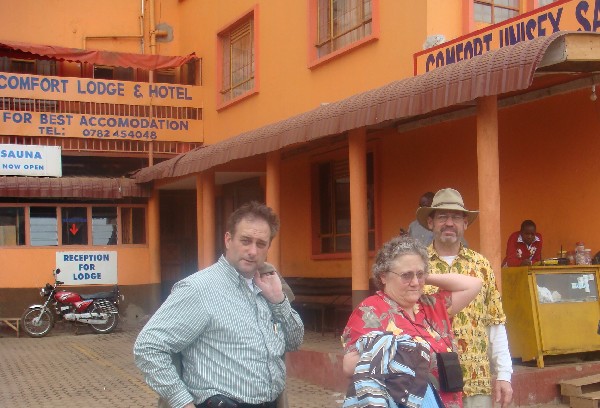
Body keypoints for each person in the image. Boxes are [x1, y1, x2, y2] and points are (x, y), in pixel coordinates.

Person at [134, 201, 304, 408]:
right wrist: (182, 402)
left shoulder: (269, 286)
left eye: (261, 244)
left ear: (268, 247)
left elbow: (294, 341)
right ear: (228, 239)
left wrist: (278, 300)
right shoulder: (199, 289)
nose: (252, 251)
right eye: (245, 241)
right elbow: (148, 346)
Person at [341, 235, 482, 408]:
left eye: (420, 274)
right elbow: (349, 366)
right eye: (406, 275)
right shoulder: (370, 311)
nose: (415, 283)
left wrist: (423, 276)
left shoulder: (431, 305)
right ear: (383, 276)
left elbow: (474, 284)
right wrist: (403, 354)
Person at [416, 188, 513, 408]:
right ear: (430, 222)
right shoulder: (417, 267)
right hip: (430, 383)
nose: (449, 223)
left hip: (475, 380)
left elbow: (495, 322)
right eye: (442, 217)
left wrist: (504, 374)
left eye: (456, 217)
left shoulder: (481, 266)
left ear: (465, 223)